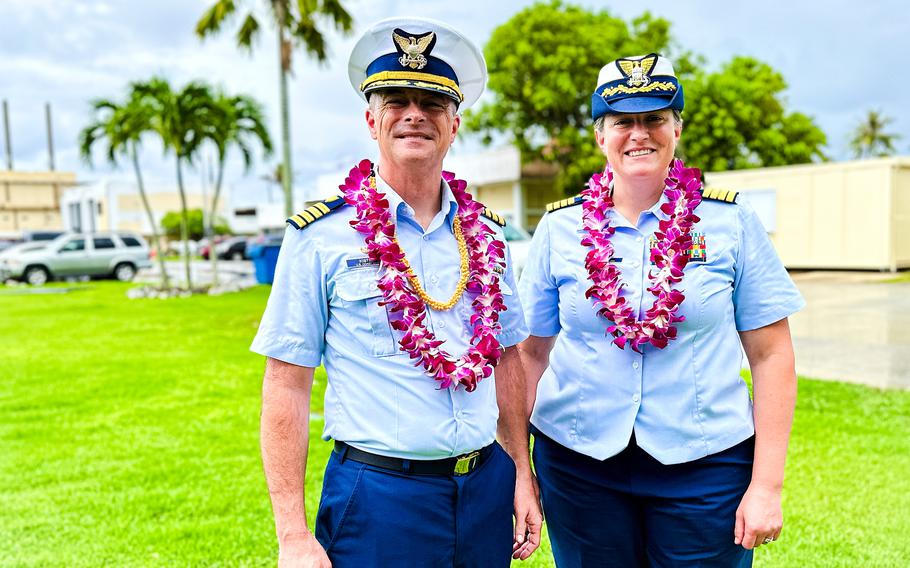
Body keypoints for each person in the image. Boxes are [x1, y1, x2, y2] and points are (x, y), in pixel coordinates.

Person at [251, 16, 542, 568]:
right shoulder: (321, 237)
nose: (414, 114)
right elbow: (286, 382)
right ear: (372, 119)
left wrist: (521, 475)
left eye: (432, 103)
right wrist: (291, 533)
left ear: (454, 124)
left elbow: (507, 359)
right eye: (396, 100)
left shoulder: (486, 235)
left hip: (484, 489)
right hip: (380, 498)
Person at [517, 53, 805, 567]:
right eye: (623, 121)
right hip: (580, 464)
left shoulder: (729, 222)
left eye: (654, 118)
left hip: (705, 464)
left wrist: (767, 485)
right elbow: (530, 354)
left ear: (677, 129)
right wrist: (519, 468)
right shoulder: (559, 229)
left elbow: (771, 354)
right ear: (600, 136)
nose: (639, 133)